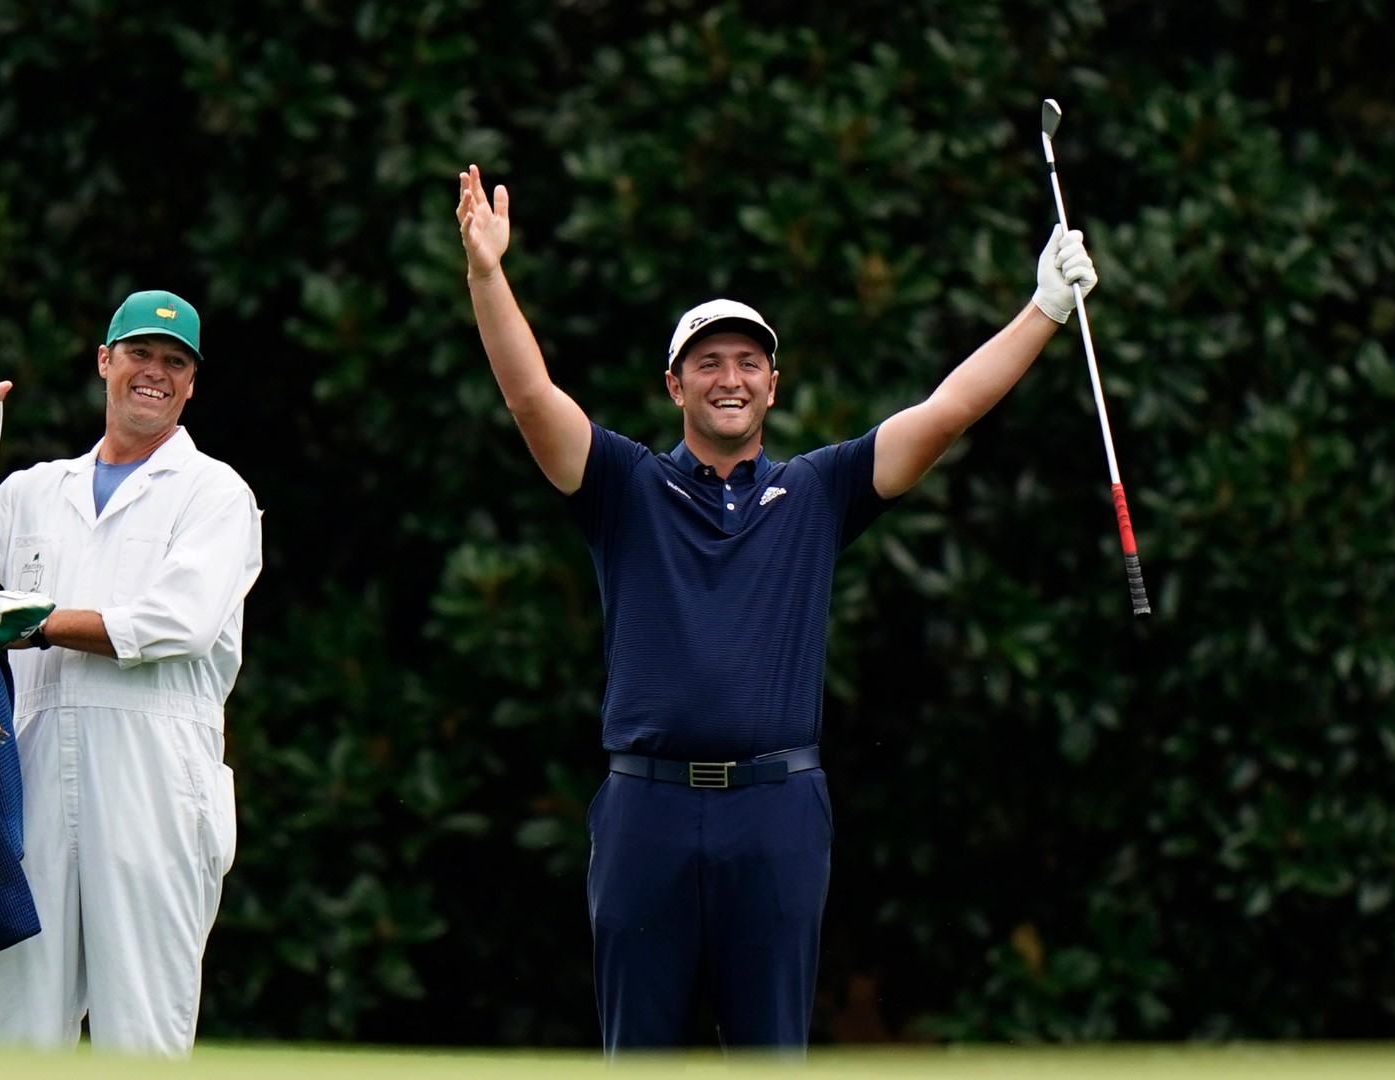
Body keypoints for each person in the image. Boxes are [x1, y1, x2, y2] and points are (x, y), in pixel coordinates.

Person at [454, 164, 1098, 1054]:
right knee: (635, 1058)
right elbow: (531, 399)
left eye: (747, 362)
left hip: (777, 809)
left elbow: (945, 414)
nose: (730, 377)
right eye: (708, 362)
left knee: (771, 1058)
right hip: (647, 810)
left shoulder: (819, 489)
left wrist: (1045, 311)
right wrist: (489, 273)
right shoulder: (624, 486)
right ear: (675, 385)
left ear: (772, 384)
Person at [0, 290, 262, 1056]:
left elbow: (178, 621)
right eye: (139, 354)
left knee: (143, 1033)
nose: (155, 374)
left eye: (175, 362)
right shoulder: (38, 490)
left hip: (155, 783)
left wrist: (24, 622)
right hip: (27, 779)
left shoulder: (217, 494)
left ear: (192, 383)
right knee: (17, 1034)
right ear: (105, 361)